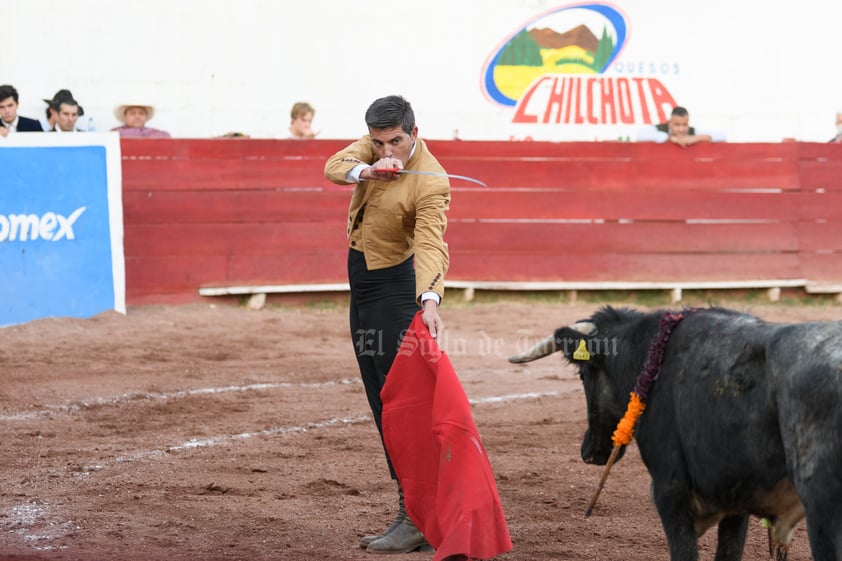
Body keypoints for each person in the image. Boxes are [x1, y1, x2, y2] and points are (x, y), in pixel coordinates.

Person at [323, 95, 450, 554]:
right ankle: (415, 509)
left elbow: (432, 244)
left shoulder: (431, 182)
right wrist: (368, 169)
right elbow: (334, 165)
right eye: (378, 143)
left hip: (396, 293)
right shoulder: (371, 150)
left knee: (399, 403)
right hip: (362, 289)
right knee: (380, 399)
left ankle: (415, 515)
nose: (387, 151)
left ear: (413, 134)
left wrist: (429, 300)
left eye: (395, 141)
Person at [636, 105, 725, 146]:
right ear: (670, 123)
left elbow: (721, 136)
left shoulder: (691, 131)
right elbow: (640, 135)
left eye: (684, 125)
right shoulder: (661, 129)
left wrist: (694, 138)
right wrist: (670, 138)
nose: (681, 129)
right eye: (677, 125)